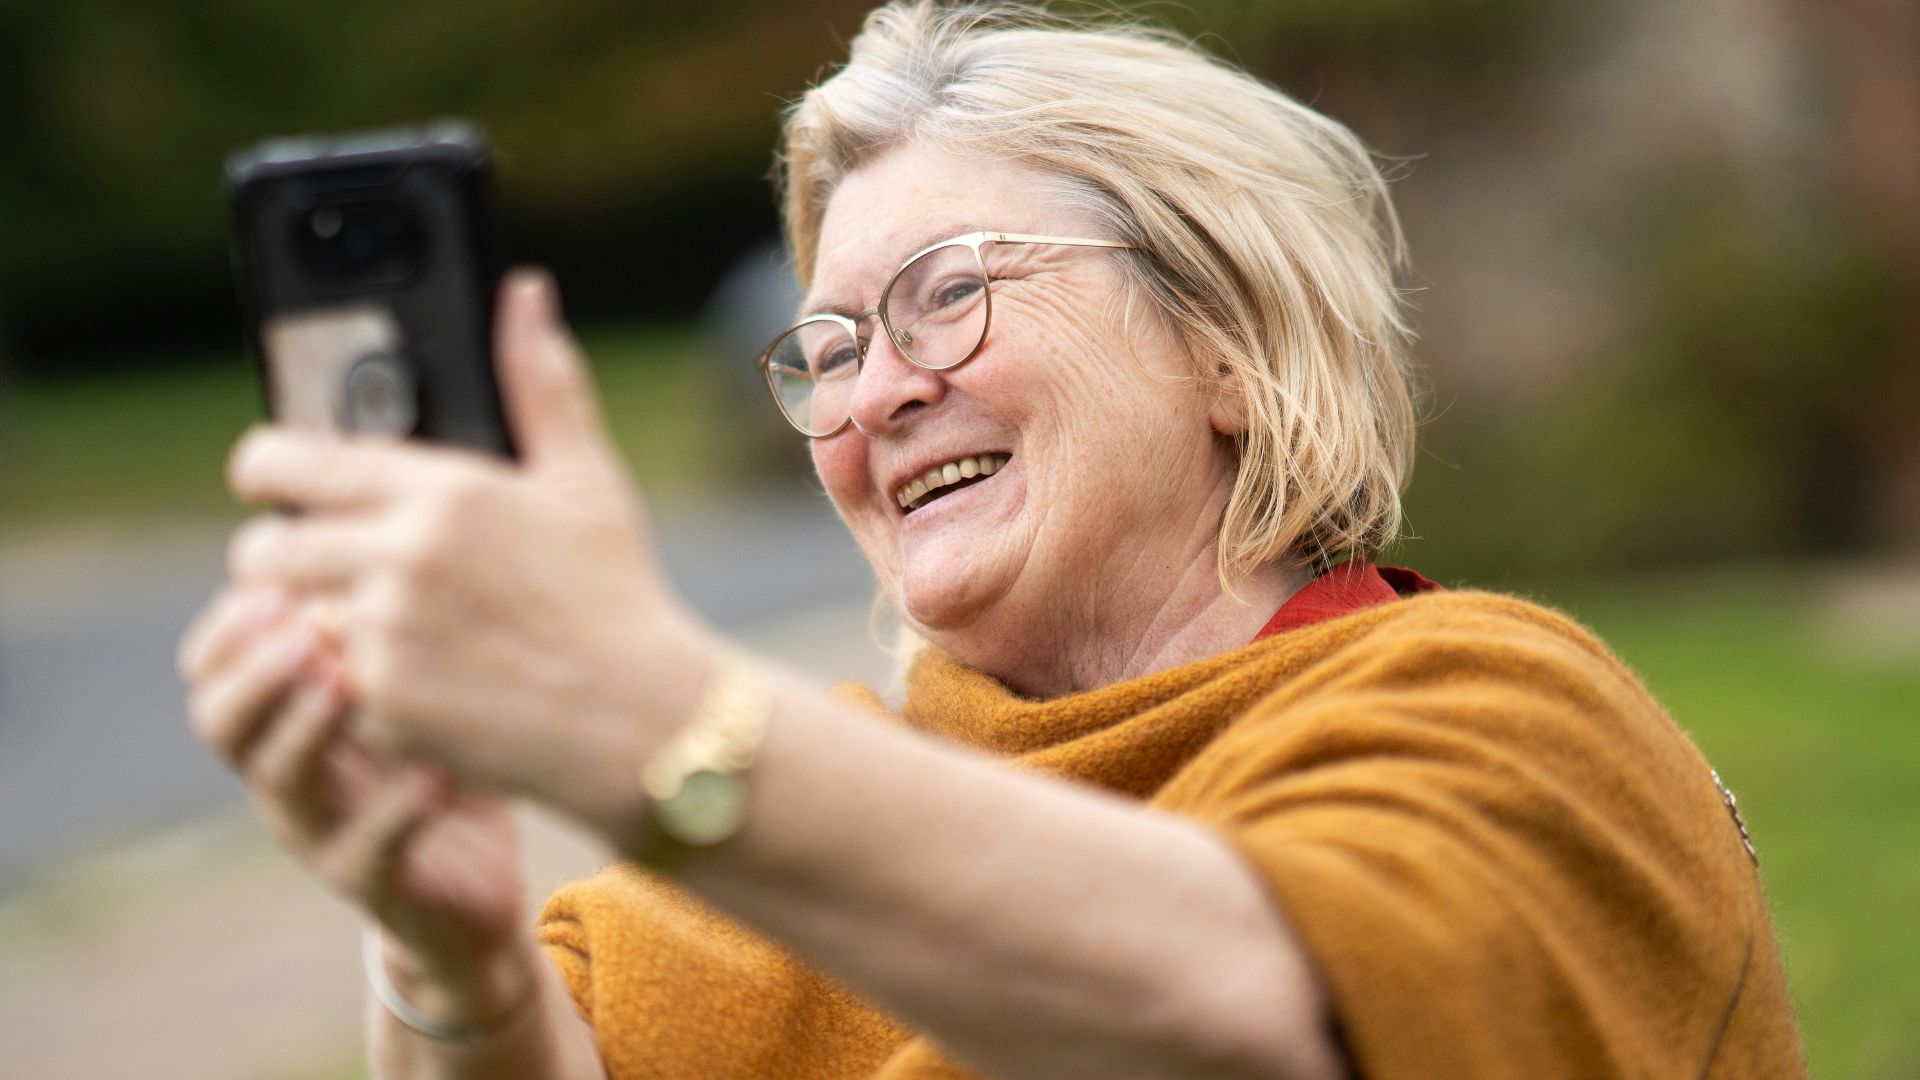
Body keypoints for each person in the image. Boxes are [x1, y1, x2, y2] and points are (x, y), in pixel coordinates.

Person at [177, 2, 1807, 1077]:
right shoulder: (777, 860)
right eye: (822, 348)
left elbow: (1266, 1015)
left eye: (946, 293)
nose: (870, 396)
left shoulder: (1513, 716)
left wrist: (644, 714)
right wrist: (446, 955)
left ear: (1228, 342)